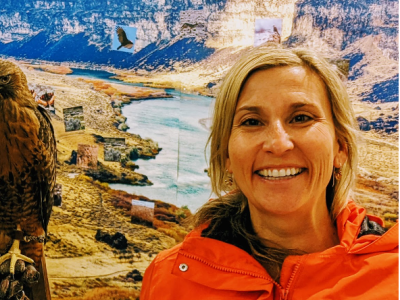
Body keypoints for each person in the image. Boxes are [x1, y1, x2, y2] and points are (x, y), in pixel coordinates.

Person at [141, 45, 398, 299]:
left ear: (340, 147)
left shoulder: (391, 275)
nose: (278, 144)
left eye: (301, 118)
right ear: (227, 156)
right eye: (251, 122)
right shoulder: (168, 278)